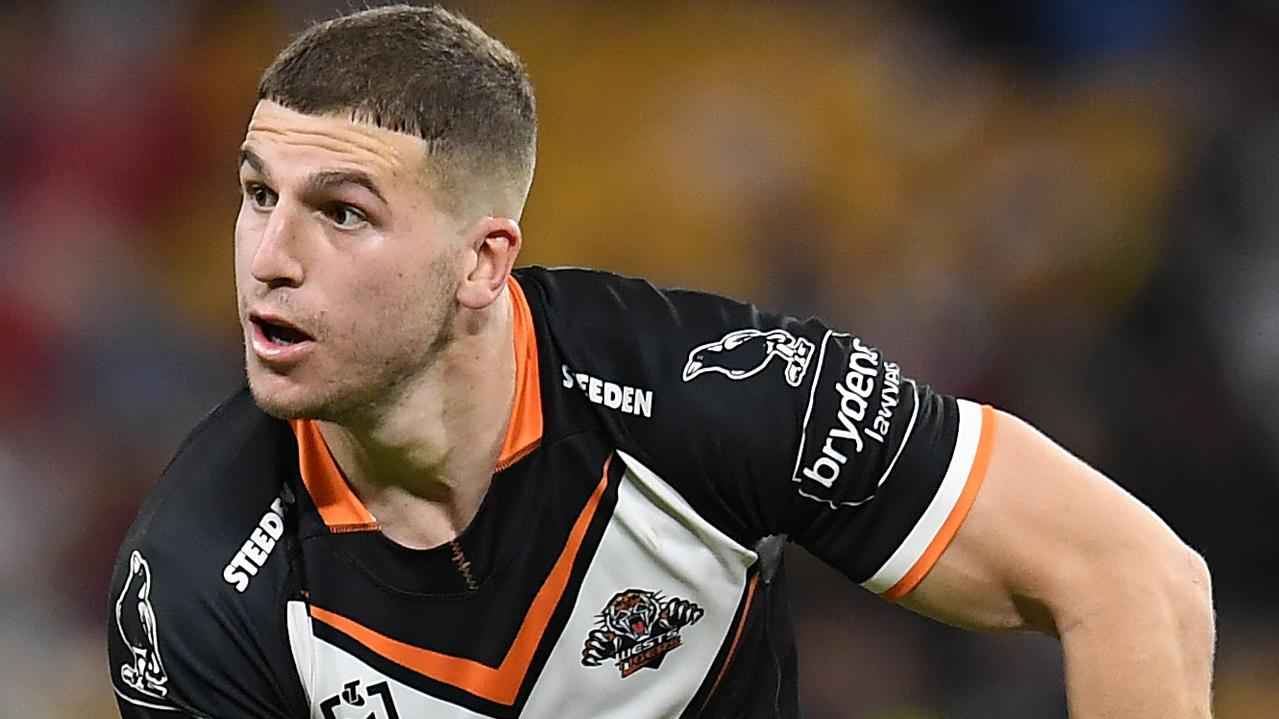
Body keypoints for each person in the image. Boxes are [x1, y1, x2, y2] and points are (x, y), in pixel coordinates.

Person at [107, 5, 1214, 718]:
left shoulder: (710, 390)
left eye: (341, 213)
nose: (270, 258)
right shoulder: (200, 587)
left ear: (482, 263)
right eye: (257, 194)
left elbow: (1137, 581)